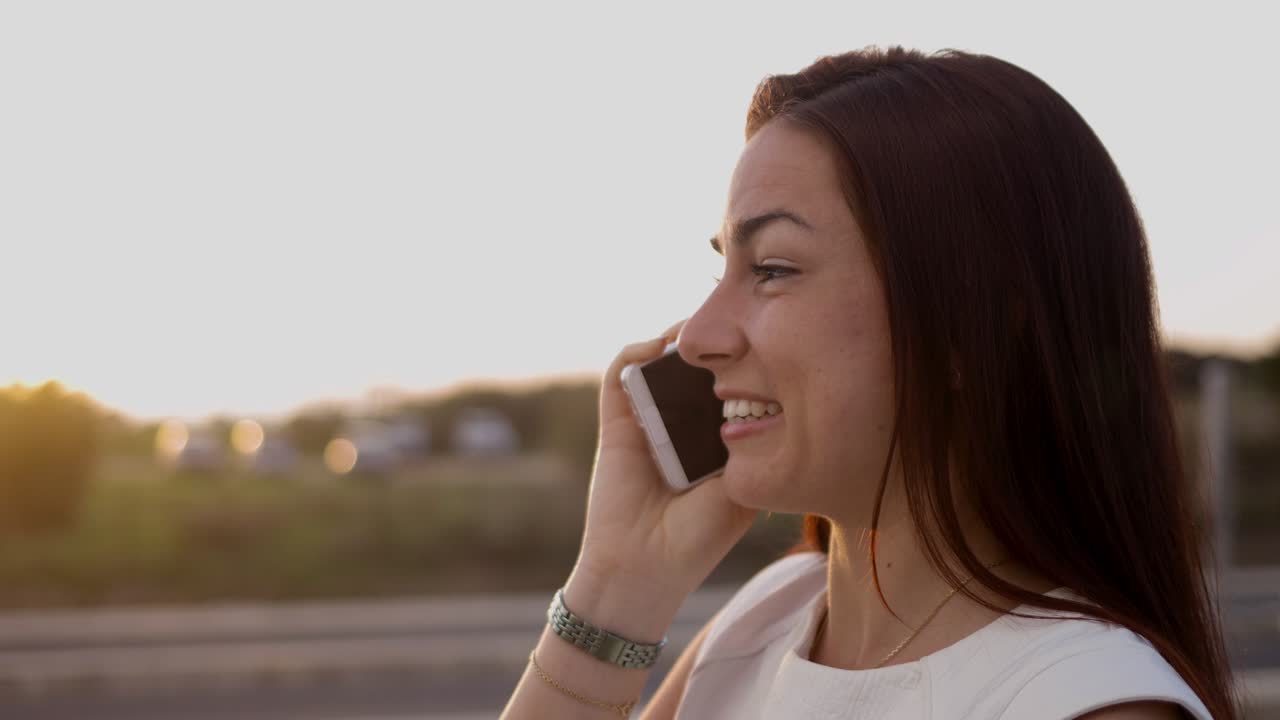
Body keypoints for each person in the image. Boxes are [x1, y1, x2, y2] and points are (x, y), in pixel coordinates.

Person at [499, 45, 1238, 719]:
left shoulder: (1082, 702)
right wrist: (615, 586)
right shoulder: (769, 618)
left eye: (773, 269)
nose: (697, 336)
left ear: (966, 323)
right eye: (722, 266)